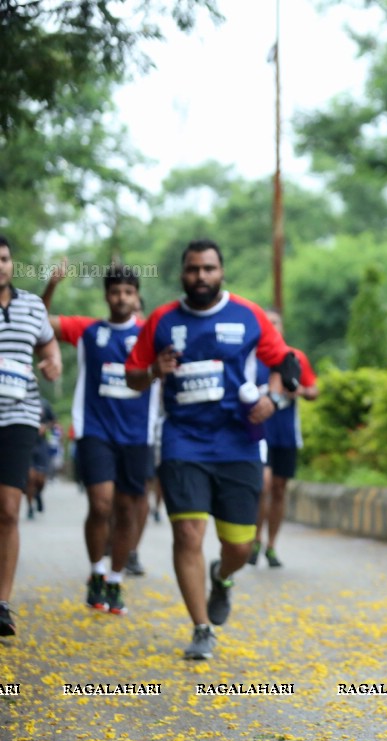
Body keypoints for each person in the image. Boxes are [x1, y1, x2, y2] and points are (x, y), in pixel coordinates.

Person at [125, 239, 291, 659]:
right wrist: (152, 371)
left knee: (239, 546)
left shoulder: (248, 314)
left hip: (238, 443)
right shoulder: (162, 319)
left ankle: (223, 576)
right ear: (183, 274)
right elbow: (131, 377)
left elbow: (285, 363)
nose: (201, 276)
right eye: (193, 269)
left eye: (209, 269)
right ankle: (201, 628)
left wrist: (274, 399)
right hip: (183, 441)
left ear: (222, 272)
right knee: (187, 532)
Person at [46, 265, 157, 613]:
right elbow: (42, 321)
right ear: (107, 295)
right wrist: (51, 285)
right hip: (94, 430)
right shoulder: (89, 330)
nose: (121, 297)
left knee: (126, 509)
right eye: (115, 291)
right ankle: (96, 571)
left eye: (128, 291)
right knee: (102, 504)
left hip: (137, 434)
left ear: (136, 295)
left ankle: (115, 580)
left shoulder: (152, 334)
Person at [0, 234, 63, 636]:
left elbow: (49, 347)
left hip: (20, 416)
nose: (0, 266)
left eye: (4, 259)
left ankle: (2, 603)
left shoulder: (31, 306)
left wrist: (53, 362)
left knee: (8, 509)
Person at [249, 308, 318, 569]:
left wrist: (297, 390)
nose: (272, 327)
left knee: (278, 490)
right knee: (263, 486)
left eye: (276, 323)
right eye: (267, 323)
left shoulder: (295, 357)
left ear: (283, 328)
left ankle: (272, 546)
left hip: (287, 435)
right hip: (259, 434)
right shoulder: (252, 357)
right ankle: (255, 540)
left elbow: (314, 390)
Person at [24, 397, 56, 520]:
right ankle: (30, 506)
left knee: (40, 480)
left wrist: (45, 427)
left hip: (42, 444)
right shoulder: (21, 400)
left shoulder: (44, 403)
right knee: (30, 477)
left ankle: (38, 495)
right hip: (27, 444)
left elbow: (53, 421)